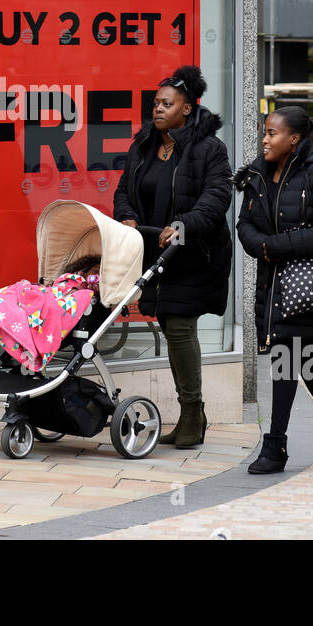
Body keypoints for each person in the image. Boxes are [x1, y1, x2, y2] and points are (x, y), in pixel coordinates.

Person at [234, 106, 313, 472]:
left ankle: (275, 447)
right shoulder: (257, 174)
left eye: (273, 133)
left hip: (306, 286)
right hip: (272, 284)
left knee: (285, 356)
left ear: (294, 139)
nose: (265, 139)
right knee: (303, 361)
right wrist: (259, 245)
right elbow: (244, 224)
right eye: (264, 132)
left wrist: (276, 247)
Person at [113, 65, 232, 449]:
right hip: (154, 251)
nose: (158, 109)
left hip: (194, 252)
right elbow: (123, 191)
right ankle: (190, 415)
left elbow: (217, 197)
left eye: (167, 103)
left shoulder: (209, 148)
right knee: (170, 324)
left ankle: (193, 413)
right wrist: (126, 216)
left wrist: (184, 224)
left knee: (180, 327)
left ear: (187, 108)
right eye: (155, 103)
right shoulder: (144, 144)